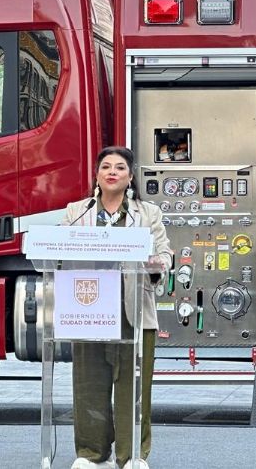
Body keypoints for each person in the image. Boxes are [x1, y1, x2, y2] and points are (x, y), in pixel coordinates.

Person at [64, 146, 173, 469]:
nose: (112, 172)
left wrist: (156, 263)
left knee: (133, 387)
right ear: (97, 175)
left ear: (130, 177)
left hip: (134, 309)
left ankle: (132, 456)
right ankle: (91, 454)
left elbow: (165, 254)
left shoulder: (148, 213)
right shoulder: (77, 211)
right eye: (106, 167)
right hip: (87, 308)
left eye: (120, 168)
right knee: (89, 385)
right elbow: (59, 249)